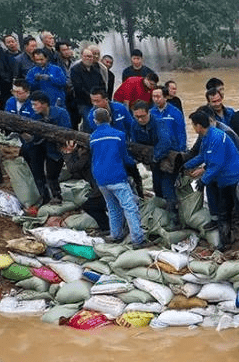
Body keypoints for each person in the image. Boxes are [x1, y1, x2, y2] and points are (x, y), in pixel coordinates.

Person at [184, 111, 239, 250]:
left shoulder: (217, 138)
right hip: (224, 180)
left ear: (199, 126)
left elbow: (216, 164)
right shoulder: (206, 137)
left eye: (193, 125)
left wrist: (203, 181)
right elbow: (203, 156)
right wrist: (185, 165)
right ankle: (225, 242)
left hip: (234, 178)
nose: (193, 128)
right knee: (223, 210)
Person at [89, 108, 145, 247]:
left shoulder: (93, 137)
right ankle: (137, 239)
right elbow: (124, 157)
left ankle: (116, 235)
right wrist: (135, 162)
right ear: (110, 119)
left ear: (95, 121)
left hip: (100, 178)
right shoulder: (119, 135)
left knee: (113, 207)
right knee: (129, 207)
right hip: (116, 176)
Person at [128, 101, 176, 222]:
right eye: (137, 116)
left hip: (167, 159)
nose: (140, 119)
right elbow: (135, 143)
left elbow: (166, 143)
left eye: (142, 116)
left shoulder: (159, 123)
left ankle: (173, 218)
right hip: (153, 161)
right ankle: (161, 216)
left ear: (149, 113)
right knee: (157, 186)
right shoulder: (134, 125)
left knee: (167, 187)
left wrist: (155, 157)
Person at [23, 91, 71, 204]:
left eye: (35, 104)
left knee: (52, 173)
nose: (33, 107)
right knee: (36, 170)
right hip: (39, 146)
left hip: (55, 147)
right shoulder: (35, 116)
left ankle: (56, 196)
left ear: (44, 104)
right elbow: (32, 138)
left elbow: (67, 132)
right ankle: (44, 196)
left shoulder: (60, 114)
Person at [70, 47, 104, 122]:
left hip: (98, 101)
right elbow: (78, 87)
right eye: (87, 56)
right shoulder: (75, 69)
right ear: (82, 57)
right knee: (89, 122)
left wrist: (101, 96)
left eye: (91, 57)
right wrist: (91, 97)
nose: (89, 58)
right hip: (84, 102)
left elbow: (102, 84)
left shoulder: (96, 70)